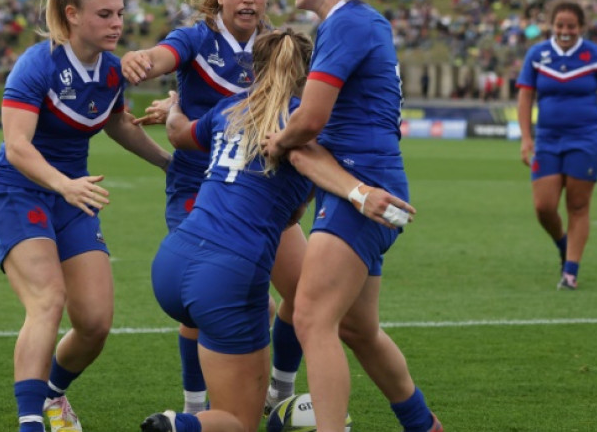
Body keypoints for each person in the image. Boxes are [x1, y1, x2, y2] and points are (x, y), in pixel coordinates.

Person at [141, 28, 415, 432]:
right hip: (227, 273)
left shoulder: (228, 108)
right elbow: (310, 165)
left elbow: (180, 135)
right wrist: (361, 194)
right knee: (237, 421)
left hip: (172, 259)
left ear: (254, 71)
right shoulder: (304, 127)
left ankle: (208, 409)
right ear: (311, 76)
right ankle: (174, 426)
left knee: (284, 308)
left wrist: (176, 106)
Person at [261, 0, 443, 432]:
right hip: (357, 187)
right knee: (358, 329)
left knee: (312, 318)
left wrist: (279, 142)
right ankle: (422, 424)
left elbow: (312, 120)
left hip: (362, 192)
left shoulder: (347, 23)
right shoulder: (352, 23)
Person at [0, 0, 171, 432]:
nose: (117, 24)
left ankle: (52, 396)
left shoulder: (110, 70)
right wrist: (64, 183)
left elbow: (116, 121)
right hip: (20, 190)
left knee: (95, 323)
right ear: (72, 15)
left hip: (72, 196)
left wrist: (171, 163)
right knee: (48, 301)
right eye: (105, 14)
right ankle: (30, 422)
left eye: (120, 14)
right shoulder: (37, 63)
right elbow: (17, 146)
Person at [120, 0, 305, 415]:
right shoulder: (196, 38)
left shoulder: (275, 46)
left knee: (305, 293)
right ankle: (193, 405)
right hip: (198, 187)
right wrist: (144, 59)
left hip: (261, 189)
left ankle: (280, 394)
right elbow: (165, 56)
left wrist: (177, 109)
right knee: (205, 305)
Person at [516, 0, 597, 290]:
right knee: (544, 207)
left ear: (581, 27)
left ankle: (570, 272)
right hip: (547, 138)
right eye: (560, 25)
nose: (565, 30)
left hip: (586, 138)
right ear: (551, 25)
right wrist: (526, 137)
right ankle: (563, 243)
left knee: (578, 205)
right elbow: (525, 98)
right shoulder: (537, 54)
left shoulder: (595, 56)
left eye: (571, 26)